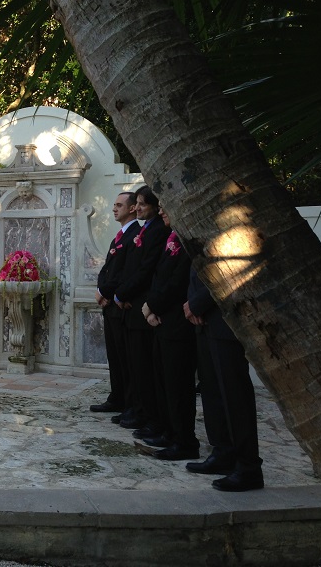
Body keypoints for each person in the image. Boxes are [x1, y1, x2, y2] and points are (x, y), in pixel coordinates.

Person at [184, 269, 264, 491]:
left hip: (225, 317)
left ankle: (248, 467)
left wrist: (198, 303)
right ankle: (223, 451)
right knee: (211, 391)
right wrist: (193, 302)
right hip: (204, 319)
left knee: (234, 394)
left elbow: (231, 272)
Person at [140, 204, 198, 460]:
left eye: (166, 207)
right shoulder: (171, 238)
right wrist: (151, 309)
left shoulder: (186, 241)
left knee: (178, 387)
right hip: (162, 321)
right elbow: (158, 277)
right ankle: (170, 432)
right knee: (163, 382)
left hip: (177, 323)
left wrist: (152, 306)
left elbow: (177, 283)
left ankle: (185, 441)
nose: (162, 211)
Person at [113, 185, 170, 433]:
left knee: (144, 368)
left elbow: (146, 270)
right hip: (129, 305)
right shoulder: (145, 230)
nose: (137, 208)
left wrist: (121, 294)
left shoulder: (155, 231)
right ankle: (139, 411)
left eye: (142, 204)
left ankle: (149, 416)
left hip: (140, 306)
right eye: (135, 203)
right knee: (134, 367)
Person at [92, 192, 140, 417]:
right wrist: (100, 289)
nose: (114, 209)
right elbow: (107, 268)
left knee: (126, 357)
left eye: (119, 205)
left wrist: (106, 292)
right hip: (109, 303)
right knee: (114, 355)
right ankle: (117, 396)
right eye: (114, 204)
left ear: (132, 209)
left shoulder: (135, 236)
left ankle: (130, 403)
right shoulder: (119, 236)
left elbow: (126, 271)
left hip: (119, 304)